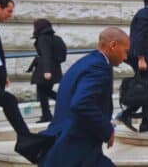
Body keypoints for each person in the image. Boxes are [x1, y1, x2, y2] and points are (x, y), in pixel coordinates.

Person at [0, 0, 53, 163]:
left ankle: (26, 140)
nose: (11, 15)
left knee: (7, 100)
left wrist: (3, 75)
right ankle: (27, 141)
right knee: (8, 100)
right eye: (8, 11)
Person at [39, 27, 130, 167]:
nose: (125, 58)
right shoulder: (99, 67)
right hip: (74, 147)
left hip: (71, 146)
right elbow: (81, 103)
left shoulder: (86, 62)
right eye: (125, 51)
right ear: (113, 45)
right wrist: (107, 129)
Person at [116, 0, 148, 133]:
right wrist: (141, 58)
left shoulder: (145, 13)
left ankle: (144, 121)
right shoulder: (145, 14)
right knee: (146, 85)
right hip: (138, 57)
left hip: (138, 56)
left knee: (146, 85)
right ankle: (127, 115)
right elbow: (139, 36)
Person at [28, 19, 62, 123]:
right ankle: (47, 114)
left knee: (43, 92)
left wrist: (47, 71)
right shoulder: (55, 38)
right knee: (45, 92)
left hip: (45, 70)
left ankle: (48, 115)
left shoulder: (43, 38)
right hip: (54, 68)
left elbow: (46, 54)